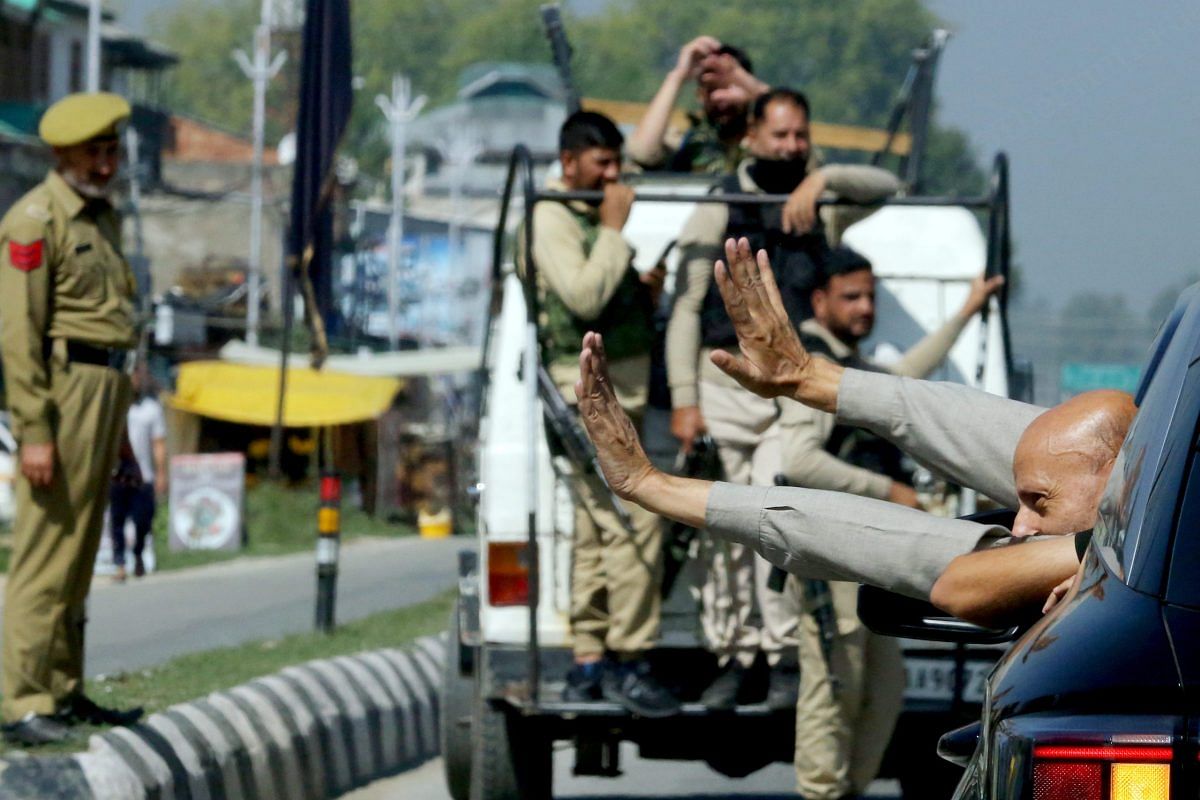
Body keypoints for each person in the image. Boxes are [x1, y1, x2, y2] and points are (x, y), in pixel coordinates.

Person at [573, 239, 1134, 611]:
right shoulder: (1125, 523)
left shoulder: (1135, 545)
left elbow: (959, 578)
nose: (1019, 526)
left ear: (1125, 487)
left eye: (1039, 502)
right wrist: (812, 380)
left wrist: (657, 488)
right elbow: (971, 427)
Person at [666, 88, 899, 710]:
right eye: (780, 136)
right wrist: (685, 401)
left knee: (774, 517)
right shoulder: (720, 206)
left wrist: (821, 177)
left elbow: (886, 185)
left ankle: (781, 654)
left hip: (789, 394)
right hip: (723, 391)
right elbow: (687, 307)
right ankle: (736, 656)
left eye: (801, 136)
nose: (791, 147)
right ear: (752, 139)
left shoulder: (819, 205)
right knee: (724, 532)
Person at [781, 246, 1003, 800]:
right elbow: (798, 460)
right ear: (819, 301)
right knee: (834, 686)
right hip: (829, 551)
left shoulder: (847, 367)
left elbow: (905, 383)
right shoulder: (813, 366)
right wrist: (890, 491)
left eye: (870, 298)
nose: (864, 309)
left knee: (882, 689)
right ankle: (823, 792)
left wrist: (964, 312)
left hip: (867, 555)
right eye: (851, 297)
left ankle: (846, 790)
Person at [518, 110, 678, 717]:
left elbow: (604, 296)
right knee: (635, 522)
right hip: (584, 396)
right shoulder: (551, 216)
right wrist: (615, 231)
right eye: (601, 165)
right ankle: (632, 660)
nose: (613, 177)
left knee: (593, 530)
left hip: (614, 395)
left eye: (617, 164)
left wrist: (641, 290)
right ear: (568, 165)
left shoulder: (581, 217)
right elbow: (581, 296)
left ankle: (588, 658)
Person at [0, 92, 144, 745]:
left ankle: (63, 689)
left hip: (106, 388)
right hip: (64, 391)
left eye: (113, 150)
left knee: (81, 552)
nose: (108, 163)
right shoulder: (34, 222)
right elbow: (19, 336)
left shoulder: (102, 217)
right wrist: (34, 430)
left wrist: (122, 441)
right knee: (45, 554)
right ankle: (21, 699)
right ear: (61, 154)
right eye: (96, 151)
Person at [627, 37, 768, 175]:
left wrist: (739, 76)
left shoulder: (770, 139)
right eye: (711, 89)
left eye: (728, 87)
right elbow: (642, 154)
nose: (719, 97)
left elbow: (788, 119)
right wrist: (678, 76)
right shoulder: (686, 141)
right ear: (700, 95)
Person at [109, 366, 167, 581]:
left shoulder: (151, 409)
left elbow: (159, 443)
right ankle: (120, 564)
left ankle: (139, 553)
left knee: (143, 519)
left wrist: (161, 473)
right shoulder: (115, 408)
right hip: (118, 474)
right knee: (117, 521)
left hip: (143, 476)